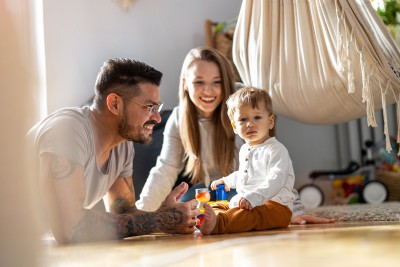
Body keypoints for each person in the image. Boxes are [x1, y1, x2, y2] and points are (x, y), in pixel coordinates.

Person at [136, 46, 334, 225]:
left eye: (217, 82)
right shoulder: (180, 117)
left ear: (227, 82)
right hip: (208, 187)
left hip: (246, 189)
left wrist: (293, 210)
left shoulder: (242, 110)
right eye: (199, 82)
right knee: (183, 210)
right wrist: (142, 212)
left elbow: (274, 165)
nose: (208, 91)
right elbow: (166, 168)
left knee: (240, 210)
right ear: (185, 83)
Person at [28, 58, 200, 244]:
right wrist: (161, 220)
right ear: (114, 104)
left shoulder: (122, 143)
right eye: (149, 107)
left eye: (157, 108)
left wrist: (170, 217)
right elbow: (70, 229)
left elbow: (124, 213)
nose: (157, 118)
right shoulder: (67, 130)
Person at [200, 86, 294, 234]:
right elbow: (244, 174)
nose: (250, 124)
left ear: (270, 121)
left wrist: (255, 197)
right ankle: (212, 219)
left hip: (275, 207)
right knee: (218, 205)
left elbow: (277, 179)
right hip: (249, 202)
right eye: (243, 119)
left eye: (257, 117)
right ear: (235, 127)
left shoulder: (276, 149)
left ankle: (219, 224)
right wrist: (227, 181)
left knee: (249, 215)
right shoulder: (245, 149)